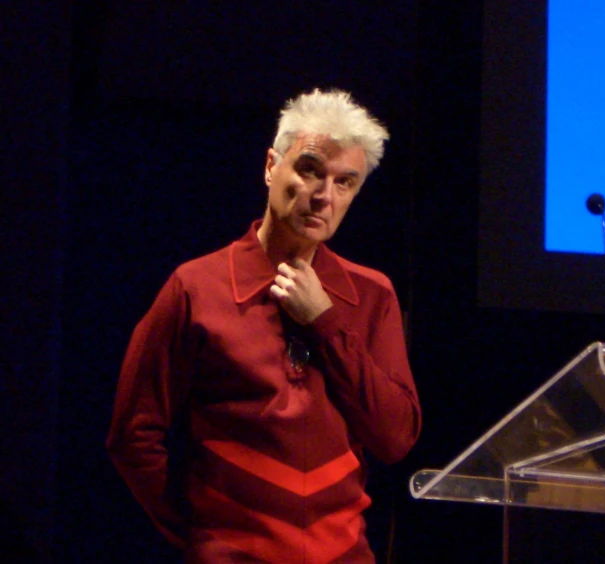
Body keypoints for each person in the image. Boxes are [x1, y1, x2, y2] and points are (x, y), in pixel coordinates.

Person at [106, 88, 422, 563]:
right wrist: (201, 535)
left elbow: (395, 438)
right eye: (310, 170)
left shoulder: (372, 295)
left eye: (344, 183)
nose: (322, 197)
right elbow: (133, 435)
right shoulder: (196, 287)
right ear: (272, 166)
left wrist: (325, 323)